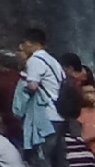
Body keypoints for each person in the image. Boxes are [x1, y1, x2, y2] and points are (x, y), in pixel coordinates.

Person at [20, 35, 72, 167]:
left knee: (42, 157)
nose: (22, 47)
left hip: (45, 117)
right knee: (59, 158)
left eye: (24, 43)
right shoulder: (53, 61)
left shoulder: (35, 60)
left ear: (32, 43)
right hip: (59, 115)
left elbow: (33, 86)